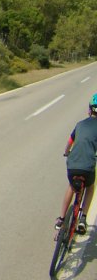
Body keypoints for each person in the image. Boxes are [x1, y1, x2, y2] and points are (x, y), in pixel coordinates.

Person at [57, 93, 97, 235]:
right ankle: (83, 218)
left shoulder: (80, 124)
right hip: (88, 166)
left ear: (90, 109)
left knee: (71, 186)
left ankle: (61, 219)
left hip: (72, 164)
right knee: (90, 187)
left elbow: (69, 142)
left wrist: (66, 152)